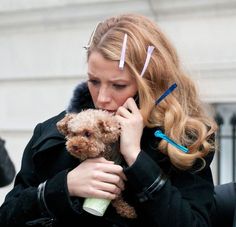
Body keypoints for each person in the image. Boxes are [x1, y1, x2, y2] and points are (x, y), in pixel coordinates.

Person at [0, 13, 218, 226]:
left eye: (118, 85)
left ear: (151, 83)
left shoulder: (182, 140)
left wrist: (136, 158)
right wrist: (62, 187)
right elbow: (7, 215)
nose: (102, 98)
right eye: (94, 81)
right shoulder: (53, 132)